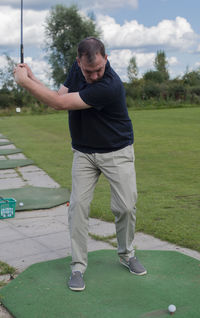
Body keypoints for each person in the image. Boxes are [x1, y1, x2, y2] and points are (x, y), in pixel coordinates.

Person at [14, 37, 147, 292]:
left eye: (99, 69)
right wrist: (31, 78)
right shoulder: (77, 70)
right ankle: (77, 266)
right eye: (89, 71)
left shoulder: (110, 85)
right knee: (77, 207)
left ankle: (126, 254)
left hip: (116, 150)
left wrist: (25, 83)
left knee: (126, 207)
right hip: (84, 152)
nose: (95, 75)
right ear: (79, 62)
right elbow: (58, 96)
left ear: (106, 59)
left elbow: (59, 103)